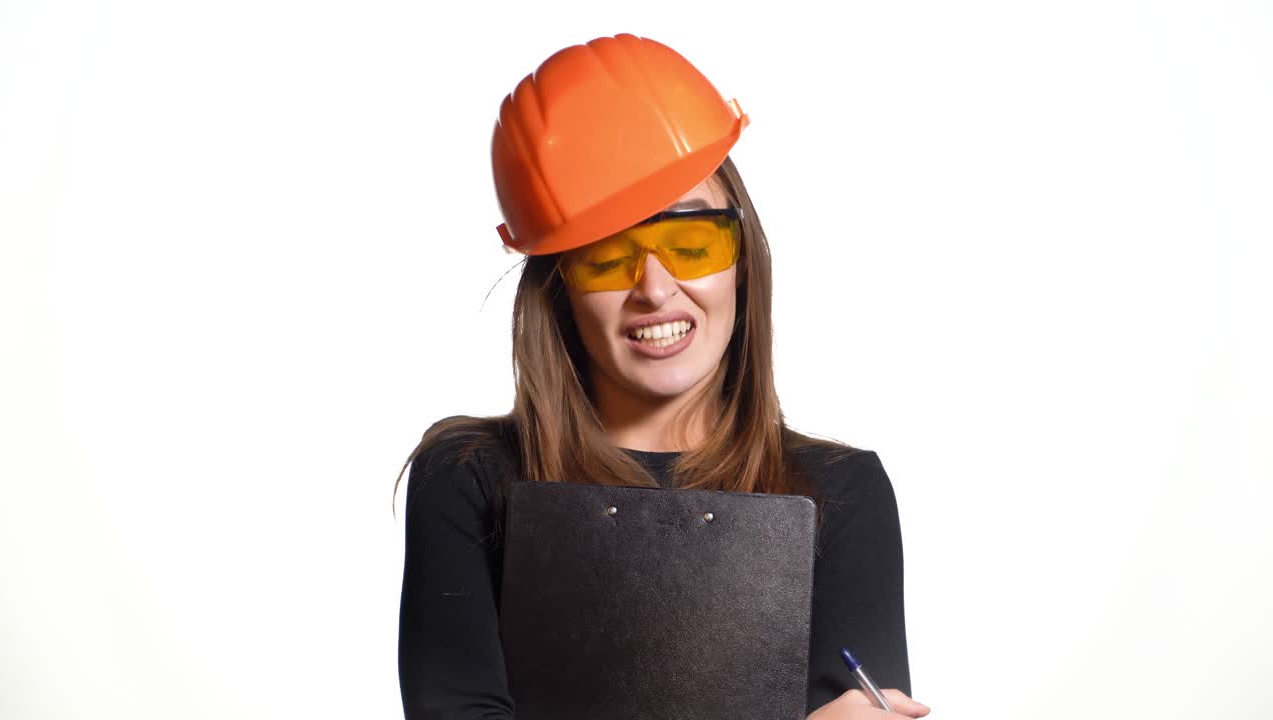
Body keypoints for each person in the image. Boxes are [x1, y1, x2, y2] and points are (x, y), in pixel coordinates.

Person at [395, 33, 931, 720]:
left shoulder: (843, 492)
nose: (654, 288)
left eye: (691, 242)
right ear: (559, 288)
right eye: (606, 255)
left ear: (741, 260)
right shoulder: (467, 477)